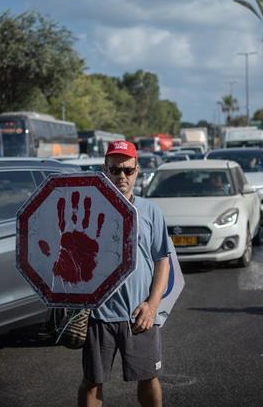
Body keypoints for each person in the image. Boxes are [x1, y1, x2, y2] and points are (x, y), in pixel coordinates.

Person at [78, 140, 174, 407]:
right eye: (115, 170)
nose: (122, 177)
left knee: (149, 378)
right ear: (105, 170)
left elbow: (162, 262)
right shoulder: (90, 208)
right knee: (92, 380)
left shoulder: (151, 211)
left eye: (128, 170)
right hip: (99, 315)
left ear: (137, 170)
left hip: (139, 314)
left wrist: (152, 306)